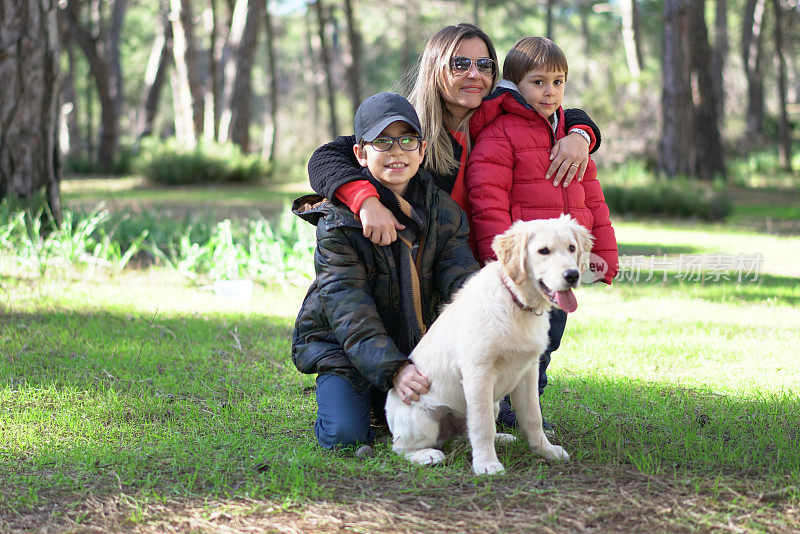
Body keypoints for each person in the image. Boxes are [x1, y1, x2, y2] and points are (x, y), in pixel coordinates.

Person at [305, 23, 602, 429]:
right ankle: (384, 386)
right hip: (396, 274)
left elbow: (554, 107)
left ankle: (512, 408)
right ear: (435, 68)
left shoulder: (497, 111)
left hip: (460, 261)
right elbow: (328, 156)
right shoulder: (409, 126)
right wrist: (365, 199)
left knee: (518, 327)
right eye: (460, 63)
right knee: (359, 423)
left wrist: (581, 134)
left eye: (484, 64)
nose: (474, 74)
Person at [292, 92, 479, 450]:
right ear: (360, 154)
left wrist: (485, 311)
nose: (397, 152)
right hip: (346, 349)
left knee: (454, 427)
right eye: (383, 141)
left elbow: (460, 279)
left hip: (416, 345)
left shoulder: (443, 208)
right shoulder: (337, 223)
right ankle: (365, 398)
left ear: (422, 150)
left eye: (408, 140)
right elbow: (350, 310)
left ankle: (384, 401)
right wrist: (395, 370)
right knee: (345, 438)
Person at [465, 36, 619, 415]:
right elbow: (488, 202)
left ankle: (526, 412)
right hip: (523, 268)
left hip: (561, 266)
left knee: (548, 341)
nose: (550, 92)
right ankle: (496, 411)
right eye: (538, 82)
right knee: (508, 340)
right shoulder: (499, 134)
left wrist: (603, 256)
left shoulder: (572, 138)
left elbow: (593, 202)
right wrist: (503, 265)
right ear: (514, 84)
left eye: (558, 82)